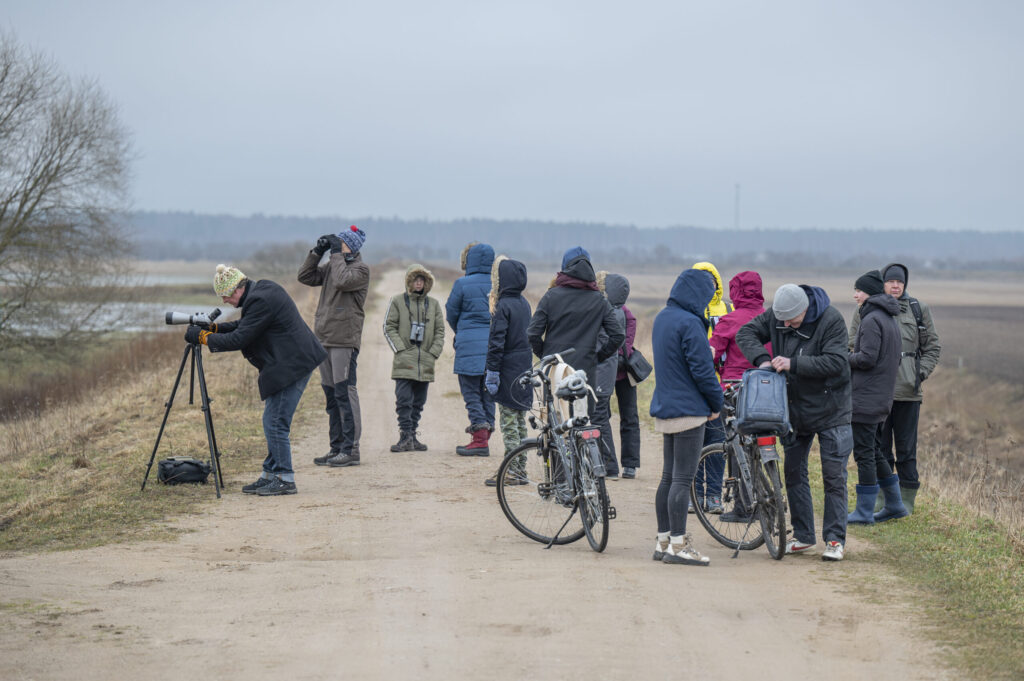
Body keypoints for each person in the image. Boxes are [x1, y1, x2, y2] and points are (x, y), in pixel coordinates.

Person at [736, 283, 853, 562]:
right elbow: (746, 332)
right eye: (782, 320)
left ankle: (835, 539)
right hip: (794, 410)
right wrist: (763, 359)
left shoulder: (831, 320)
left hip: (832, 409)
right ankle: (803, 536)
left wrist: (793, 364)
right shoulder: (779, 316)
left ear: (805, 309)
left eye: (792, 320)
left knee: (833, 475)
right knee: (793, 472)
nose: (785, 324)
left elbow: (837, 362)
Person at [187, 264, 326, 496]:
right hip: (291, 361)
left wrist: (203, 337)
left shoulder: (260, 300)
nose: (225, 302)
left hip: (293, 364)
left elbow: (239, 339)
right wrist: (213, 328)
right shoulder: (263, 290)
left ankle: (284, 478)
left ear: (236, 290)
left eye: (225, 296)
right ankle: (270, 474)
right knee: (271, 420)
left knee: (275, 422)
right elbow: (245, 325)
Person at [849, 263, 941, 514]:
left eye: (900, 282)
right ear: (883, 284)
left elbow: (933, 347)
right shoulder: (865, 311)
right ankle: (883, 497)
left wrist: (919, 374)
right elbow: (852, 345)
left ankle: (907, 499)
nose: (896, 286)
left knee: (906, 449)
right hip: (877, 391)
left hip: (907, 391)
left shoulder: (917, 309)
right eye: (890, 281)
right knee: (879, 446)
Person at [650, 268, 723, 566]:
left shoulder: (662, 318)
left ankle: (663, 541)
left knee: (668, 477)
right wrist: (716, 403)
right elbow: (703, 371)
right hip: (690, 411)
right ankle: (679, 547)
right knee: (683, 479)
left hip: (666, 406)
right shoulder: (691, 323)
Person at [297, 225, 370, 468]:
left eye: (343, 243)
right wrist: (317, 252)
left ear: (353, 247)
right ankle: (336, 447)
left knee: (345, 392)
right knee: (331, 396)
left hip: (344, 339)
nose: (338, 247)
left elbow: (341, 281)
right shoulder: (333, 265)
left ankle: (351, 449)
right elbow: (305, 277)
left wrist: (336, 253)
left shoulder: (361, 270)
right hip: (325, 337)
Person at [708, 270, 770, 522]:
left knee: (736, 446)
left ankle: (743, 506)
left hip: (735, 389)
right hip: (767, 389)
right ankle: (768, 492)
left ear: (735, 292)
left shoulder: (730, 320)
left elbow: (711, 355)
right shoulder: (770, 318)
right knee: (761, 443)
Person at [846, 270, 907, 524]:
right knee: (874, 450)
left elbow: (867, 359)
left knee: (864, 454)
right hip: (879, 396)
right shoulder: (887, 317)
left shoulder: (871, 320)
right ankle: (894, 505)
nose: (855, 295)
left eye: (858, 290)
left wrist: (843, 357)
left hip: (866, 398)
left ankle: (864, 511)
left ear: (868, 293)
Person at [527, 247, 624, 397]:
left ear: (565, 267)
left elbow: (532, 334)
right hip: (585, 371)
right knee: (582, 417)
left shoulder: (551, 296)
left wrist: (545, 355)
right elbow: (618, 335)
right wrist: (597, 357)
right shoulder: (599, 300)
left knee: (554, 417)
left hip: (554, 369)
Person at [382, 264, 445, 452]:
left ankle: (412, 436)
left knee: (419, 402)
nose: (419, 283)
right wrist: (401, 349)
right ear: (409, 282)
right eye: (415, 280)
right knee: (403, 400)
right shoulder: (397, 301)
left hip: (425, 361)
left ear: (427, 283)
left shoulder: (433, 304)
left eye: (422, 280)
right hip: (404, 360)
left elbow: (440, 330)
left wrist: (433, 352)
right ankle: (405, 435)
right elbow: (388, 326)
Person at [482, 257, 534, 487]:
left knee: (509, 422)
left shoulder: (502, 306)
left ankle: (513, 471)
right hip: (524, 368)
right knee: (520, 420)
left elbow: (496, 343)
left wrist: (492, 371)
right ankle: (518, 467)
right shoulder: (524, 303)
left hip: (508, 370)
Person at [446, 242, 496, 456]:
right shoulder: (497, 285)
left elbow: (451, 312)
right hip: (494, 346)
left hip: (468, 345)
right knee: (489, 391)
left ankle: (479, 440)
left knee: (471, 392)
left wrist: (463, 330)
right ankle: (485, 434)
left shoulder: (462, 283)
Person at [690, 261, 733, 512]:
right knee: (692, 444)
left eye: (711, 280)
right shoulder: (689, 310)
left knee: (717, 443)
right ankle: (693, 495)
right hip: (694, 387)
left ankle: (714, 495)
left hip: (719, 385)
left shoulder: (728, 308)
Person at [591, 272, 628, 479]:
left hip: (602, 370)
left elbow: (603, 342)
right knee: (601, 415)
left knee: (599, 417)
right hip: (606, 370)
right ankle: (606, 463)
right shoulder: (617, 311)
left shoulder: (612, 313)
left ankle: (608, 464)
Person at [608, 274, 640, 479]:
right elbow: (627, 343)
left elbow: (623, 345)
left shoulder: (611, 312)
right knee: (630, 417)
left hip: (612, 370)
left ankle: (617, 462)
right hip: (624, 372)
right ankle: (629, 464)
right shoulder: (628, 314)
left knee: (605, 416)